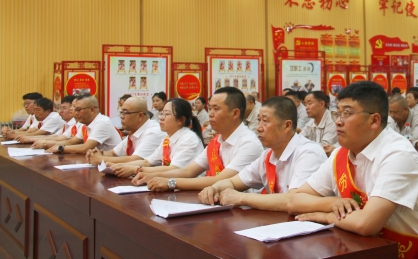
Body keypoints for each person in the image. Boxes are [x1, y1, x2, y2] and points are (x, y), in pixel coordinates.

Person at [287, 81, 418, 257]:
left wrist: (326, 216)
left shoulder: (399, 154)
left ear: (374, 120)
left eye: (347, 113)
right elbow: (294, 201)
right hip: (359, 248)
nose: (338, 121)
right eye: (337, 113)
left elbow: (366, 224)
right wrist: (332, 203)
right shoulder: (341, 153)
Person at [199, 97, 327, 210]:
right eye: (258, 120)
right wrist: (214, 188)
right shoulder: (268, 155)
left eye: (265, 121)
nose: (258, 127)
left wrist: (241, 198)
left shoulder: (308, 153)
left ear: (287, 126)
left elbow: (295, 200)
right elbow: (233, 182)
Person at [131, 87, 263, 192]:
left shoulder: (249, 143)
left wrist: (171, 182)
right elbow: (188, 171)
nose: (210, 114)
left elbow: (221, 180)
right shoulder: (217, 141)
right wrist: (152, 176)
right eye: (209, 108)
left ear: (235, 113)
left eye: (216, 109)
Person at [107, 98, 203, 177]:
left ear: (181, 120)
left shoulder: (189, 139)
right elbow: (147, 162)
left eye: (167, 114)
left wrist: (135, 170)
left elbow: (174, 169)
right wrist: (118, 166)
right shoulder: (167, 139)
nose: (161, 118)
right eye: (161, 113)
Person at [86, 97, 165, 165]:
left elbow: (135, 160)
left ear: (140, 116)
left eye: (125, 113)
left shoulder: (153, 132)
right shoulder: (135, 131)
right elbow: (113, 153)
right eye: (121, 112)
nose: (121, 116)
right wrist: (97, 153)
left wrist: (100, 159)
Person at [45, 94, 123, 154]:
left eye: (79, 110)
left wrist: (60, 148)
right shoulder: (85, 124)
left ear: (91, 109)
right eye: (75, 110)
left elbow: (86, 148)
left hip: (112, 163)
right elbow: (71, 142)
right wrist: (46, 144)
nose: (76, 113)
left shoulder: (102, 122)